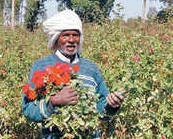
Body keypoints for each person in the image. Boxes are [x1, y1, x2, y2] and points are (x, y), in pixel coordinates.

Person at [22, 10, 125, 139]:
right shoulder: (41, 66)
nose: (71, 40)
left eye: (75, 35)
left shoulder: (91, 69)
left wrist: (111, 105)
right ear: (56, 38)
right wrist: (53, 102)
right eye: (66, 35)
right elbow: (27, 109)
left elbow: (101, 109)